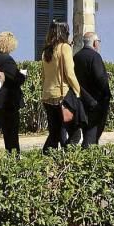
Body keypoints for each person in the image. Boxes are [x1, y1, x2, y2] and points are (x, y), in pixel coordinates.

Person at [40, 20, 82, 152]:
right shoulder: (65, 47)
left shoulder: (46, 50)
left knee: (55, 133)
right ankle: (67, 157)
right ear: (65, 32)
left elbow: (43, 75)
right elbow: (70, 74)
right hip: (62, 95)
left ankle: (46, 157)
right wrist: (78, 91)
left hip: (47, 95)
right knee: (74, 132)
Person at [73, 31, 109, 148]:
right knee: (92, 134)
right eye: (98, 42)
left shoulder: (76, 57)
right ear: (94, 43)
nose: (98, 44)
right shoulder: (95, 57)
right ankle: (88, 158)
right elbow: (100, 79)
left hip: (81, 99)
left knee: (87, 130)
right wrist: (107, 94)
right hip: (95, 101)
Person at [0, 31, 24, 153]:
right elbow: (16, 78)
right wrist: (22, 76)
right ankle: (14, 164)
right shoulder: (7, 60)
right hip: (7, 103)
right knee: (11, 139)